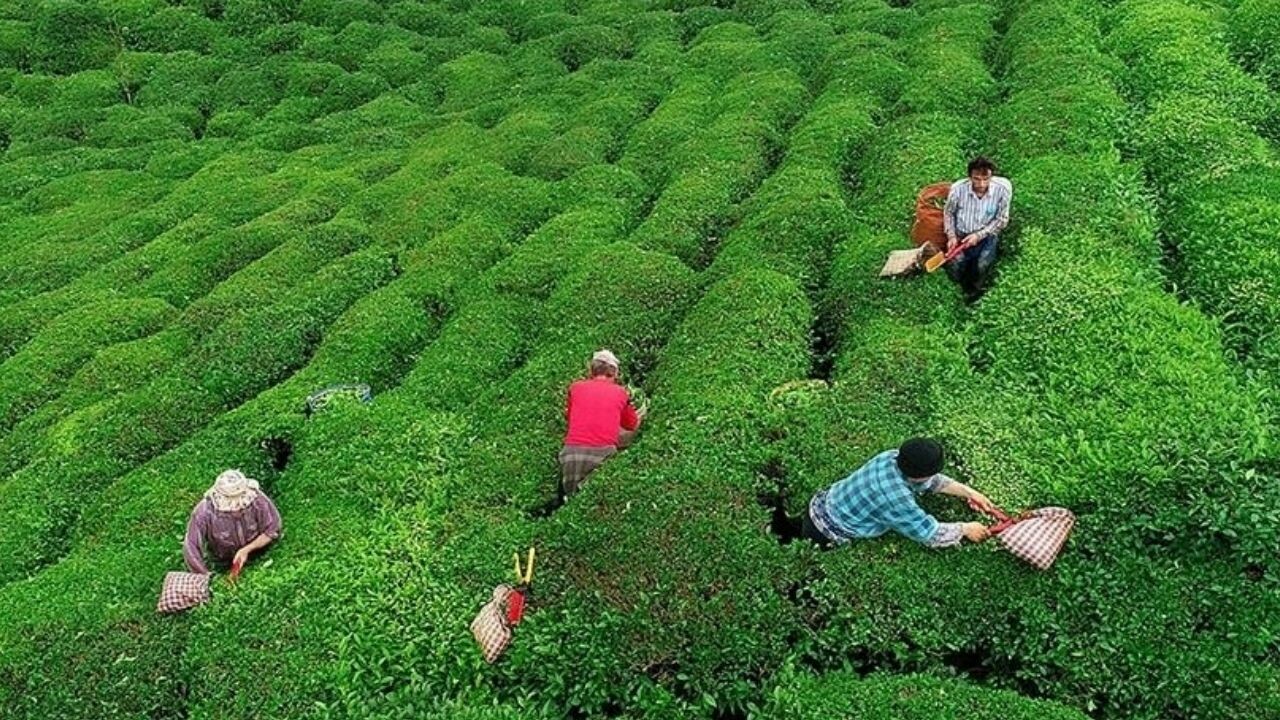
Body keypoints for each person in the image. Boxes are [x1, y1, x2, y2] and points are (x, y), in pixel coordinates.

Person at [792, 438, 994, 549]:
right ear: (921, 475)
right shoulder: (896, 499)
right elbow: (928, 533)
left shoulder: (890, 456)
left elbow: (932, 482)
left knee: (795, 531)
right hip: (828, 532)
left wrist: (970, 493)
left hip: (821, 503)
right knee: (805, 550)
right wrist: (966, 529)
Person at [558, 349, 646, 500]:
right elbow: (631, 425)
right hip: (602, 455)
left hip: (571, 456)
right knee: (594, 502)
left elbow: (570, 417)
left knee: (572, 503)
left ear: (591, 371)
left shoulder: (575, 387)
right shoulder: (620, 393)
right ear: (615, 373)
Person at [183, 469, 282, 575]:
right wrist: (205, 574)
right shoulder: (204, 512)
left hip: (259, 552)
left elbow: (273, 528)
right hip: (223, 561)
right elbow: (191, 546)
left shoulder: (257, 499)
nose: (238, 509)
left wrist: (247, 549)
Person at [943, 156, 1012, 300]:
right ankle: (955, 292)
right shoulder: (957, 190)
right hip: (961, 234)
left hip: (987, 235)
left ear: (991, 176)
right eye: (976, 179)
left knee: (982, 264)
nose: (981, 184)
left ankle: (974, 292)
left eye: (985, 179)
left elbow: (1002, 220)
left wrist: (979, 235)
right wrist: (951, 236)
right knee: (955, 264)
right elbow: (948, 213)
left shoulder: (1003, 190)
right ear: (969, 177)